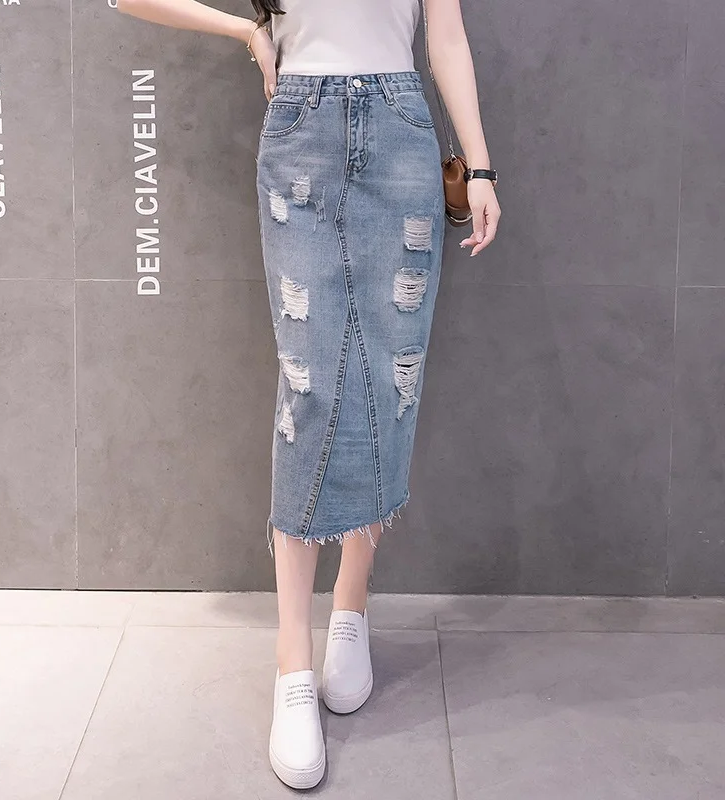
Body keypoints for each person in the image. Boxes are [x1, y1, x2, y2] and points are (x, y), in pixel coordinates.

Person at [117, 0, 500, 789]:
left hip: (401, 131)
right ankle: (292, 655)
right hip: (301, 131)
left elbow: (448, 36)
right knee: (310, 390)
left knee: (389, 380)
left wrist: (482, 165)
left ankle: (350, 607)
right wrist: (246, 30)